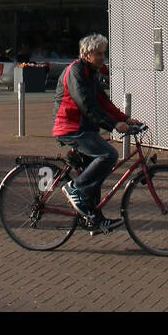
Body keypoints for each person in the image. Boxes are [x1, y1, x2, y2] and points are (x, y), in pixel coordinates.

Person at [52, 33, 132, 231]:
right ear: (86, 54)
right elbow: (86, 105)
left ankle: (94, 220)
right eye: (98, 54)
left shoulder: (91, 73)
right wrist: (113, 125)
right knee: (108, 155)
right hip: (71, 128)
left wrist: (125, 119)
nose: (103, 57)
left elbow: (103, 102)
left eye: (104, 53)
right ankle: (75, 188)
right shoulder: (76, 72)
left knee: (95, 175)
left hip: (84, 128)